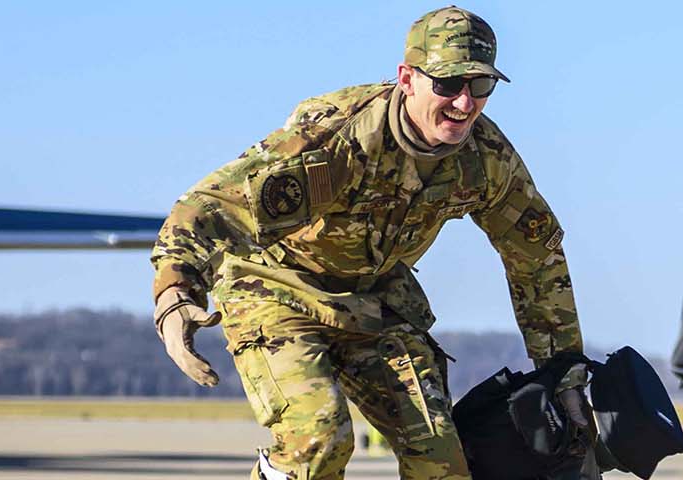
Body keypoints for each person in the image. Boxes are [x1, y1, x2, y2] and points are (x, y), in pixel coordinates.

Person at [148, 7, 590, 479]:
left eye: (479, 86)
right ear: (407, 78)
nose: (464, 104)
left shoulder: (485, 159)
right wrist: (175, 296)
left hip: (376, 301)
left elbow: (537, 260)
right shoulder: (336, 140)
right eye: (447, 84)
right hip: (278, 288)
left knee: (440, 463)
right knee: (318, 443)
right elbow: (209, 205)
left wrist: (563, 373)